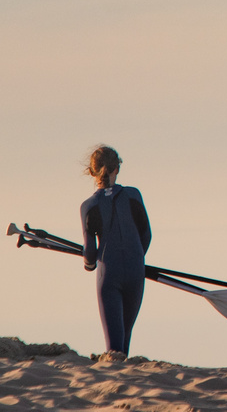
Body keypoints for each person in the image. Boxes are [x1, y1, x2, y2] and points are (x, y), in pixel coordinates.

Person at [80, 145, 151, 361]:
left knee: (114, 350)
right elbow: (146, 236)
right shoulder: (134, 195)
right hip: (136, 271)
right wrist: (136, 258)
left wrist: (89, 265)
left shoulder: (88, 206)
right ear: (117, 168)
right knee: (125, 339)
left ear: (92, 172)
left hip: (109, 274)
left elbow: (90, 254)